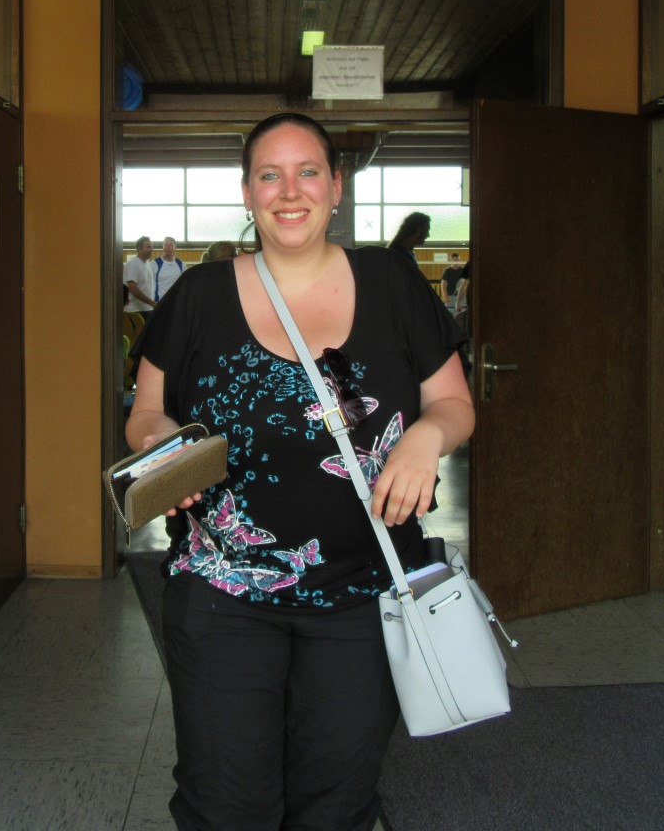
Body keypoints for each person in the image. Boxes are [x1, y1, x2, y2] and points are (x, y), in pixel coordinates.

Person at [128, 112, 474, 831]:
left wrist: (425, 438)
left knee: (337, 803)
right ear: (248, 193)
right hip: (223, 594)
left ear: (335, 187)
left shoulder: (391, 282)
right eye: (270, 175)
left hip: (367, 594)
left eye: (308, 171)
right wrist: (165, 448)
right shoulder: (198, 295)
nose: (290, 190)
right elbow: (148, 414)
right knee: (227, 803)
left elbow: (453, 404)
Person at [123, 236, 157, 385]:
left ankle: (140, 377)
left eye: (151, 246)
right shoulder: (133, 264)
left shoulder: (147, 264)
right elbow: (132, 287)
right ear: (138, 249)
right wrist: (150, 302)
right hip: (135, 312)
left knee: (145, 345)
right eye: (148, 247)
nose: (151, 249)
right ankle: (131, 377)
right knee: (135, 346)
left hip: (146, 309)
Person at [153, 236, 186, 301]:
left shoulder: (181, 264)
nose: (168, 247)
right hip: (160, 301)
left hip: (176, 301)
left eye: (171, 245)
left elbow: (184, 284)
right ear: (163, 247)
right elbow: (150, 284)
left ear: (175, 248)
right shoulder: (155, 264)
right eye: (165, 245)